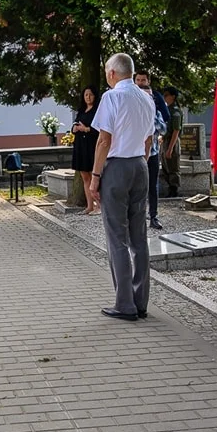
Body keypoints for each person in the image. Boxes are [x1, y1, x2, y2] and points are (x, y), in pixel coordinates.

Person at [88, 53, 156, 322]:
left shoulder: (112, 96)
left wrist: (95, 177)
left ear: (113, 73)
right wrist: (141, 161)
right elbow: (150, 139)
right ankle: (141, 301)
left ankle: (124, 303)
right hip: (140, 164)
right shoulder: (146, 98)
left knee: (116, 236)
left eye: (107, 72)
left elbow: (104, 139)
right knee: (138, 237)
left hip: (117, 166)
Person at [135, 72, 166, 229]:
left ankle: (153, 216)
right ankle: (137, 217)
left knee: (152, 185)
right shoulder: (133, 111)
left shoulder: (156, 112)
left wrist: (151, 115)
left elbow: (163, 128)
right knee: (136, 186)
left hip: (152, 153)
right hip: (135, 154)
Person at [71, 86, 101, 215]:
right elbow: (75, 123)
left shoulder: (97, 111)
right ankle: (90, 206)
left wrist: (86, 129)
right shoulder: (82, 110)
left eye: (90, 95)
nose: (88, 97)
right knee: (84, 176)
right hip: (80, 145)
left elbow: (99, 129)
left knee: (93, 174)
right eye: (86, 95)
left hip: (92, 144)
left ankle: (99, 205)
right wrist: (75, 128)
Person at [161, 86, 183, 197]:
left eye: (166, 95)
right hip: (165, 140)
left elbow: (176, 130)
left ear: (173, 97)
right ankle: (170, 188)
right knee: (166, 166)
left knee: (173, 167)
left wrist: (170, 148)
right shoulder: (167, 109)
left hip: (172, 141)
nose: (164, 98)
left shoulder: (175, 111)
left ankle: (174, 190)